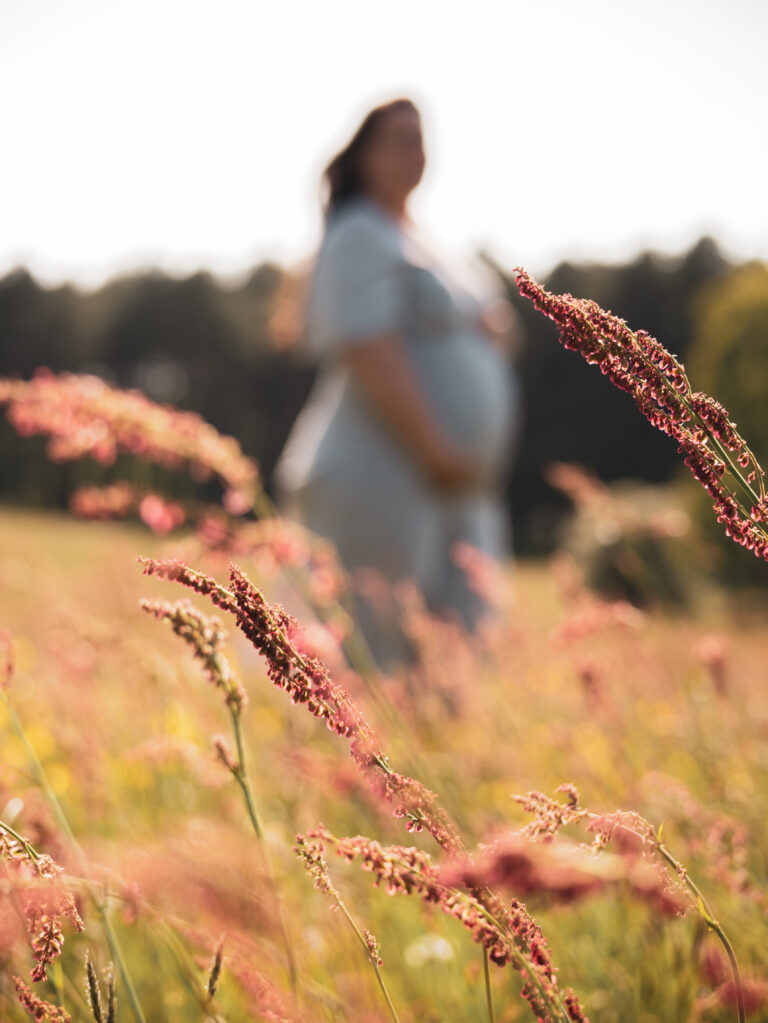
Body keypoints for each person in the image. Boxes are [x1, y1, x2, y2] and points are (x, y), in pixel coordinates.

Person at [275, 97, 521, 667]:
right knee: (374, 656)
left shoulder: (431, 242)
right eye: (399, 140)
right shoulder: (359, 233)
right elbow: (368, 347)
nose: (415, 153)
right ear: (364, 155)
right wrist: (436, 447)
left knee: (449, 656)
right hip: (388, 474)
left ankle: (436, 758)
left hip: (450, 484)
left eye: (421, 139)